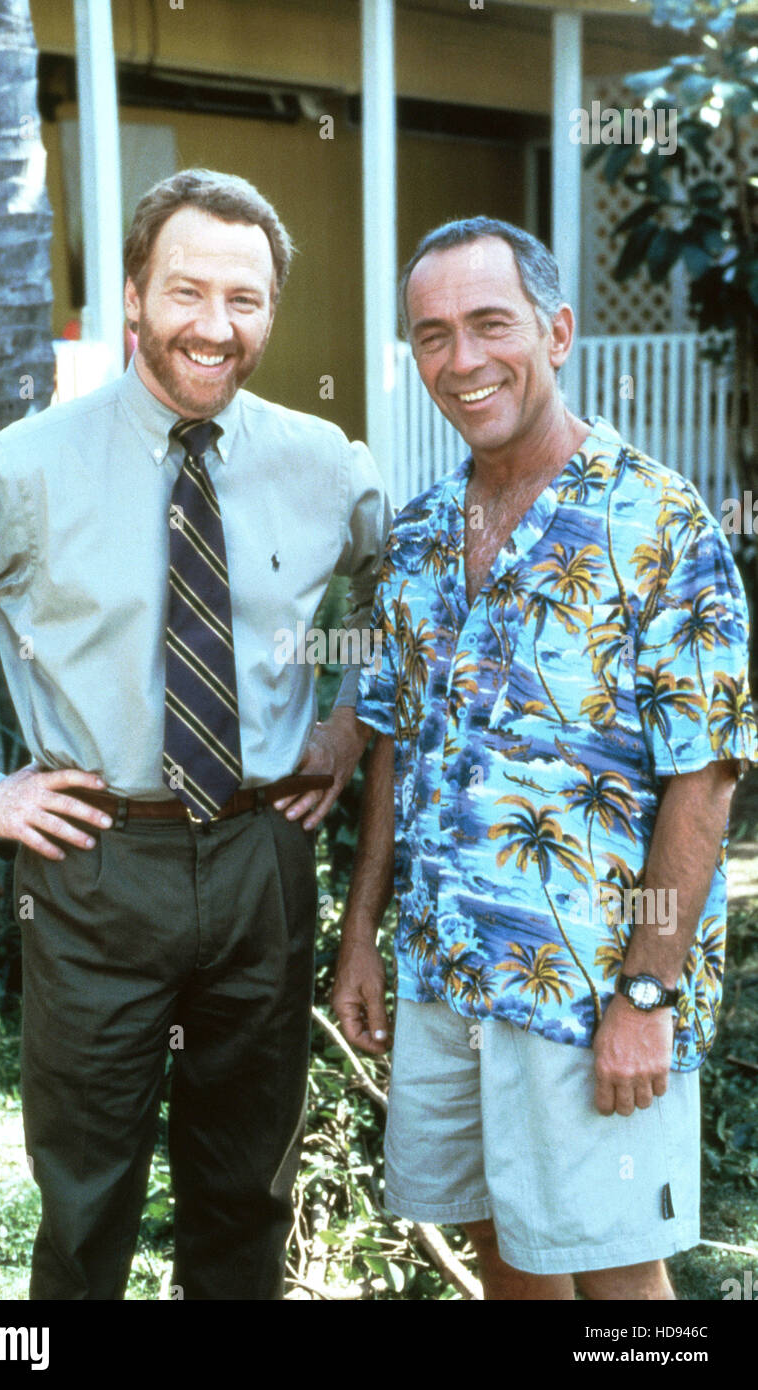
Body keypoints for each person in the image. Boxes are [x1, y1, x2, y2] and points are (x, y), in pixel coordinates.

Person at [0, 168, 391, 1300]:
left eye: (245, 300)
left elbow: (406, 599)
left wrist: (350, 718)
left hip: (264, 857)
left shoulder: (324, 464)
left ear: (270, 310)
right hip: (93, 868)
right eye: (185, 291)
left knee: (246, 1197)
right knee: (85, 1205)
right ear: (131, 296)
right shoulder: (20, 469)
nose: (214, 327)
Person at [332, 217, 757, 1300]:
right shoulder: (420, 536)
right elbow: (393, 746)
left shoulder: (658, 520)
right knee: (503, 1254)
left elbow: (702, 778)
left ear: (556, 330)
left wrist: (645, 997)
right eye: (431, 335)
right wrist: (363, 937)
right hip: (443, 973)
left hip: (586, 987)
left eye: (489, 324)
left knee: (617, 1277)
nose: (461, 360)